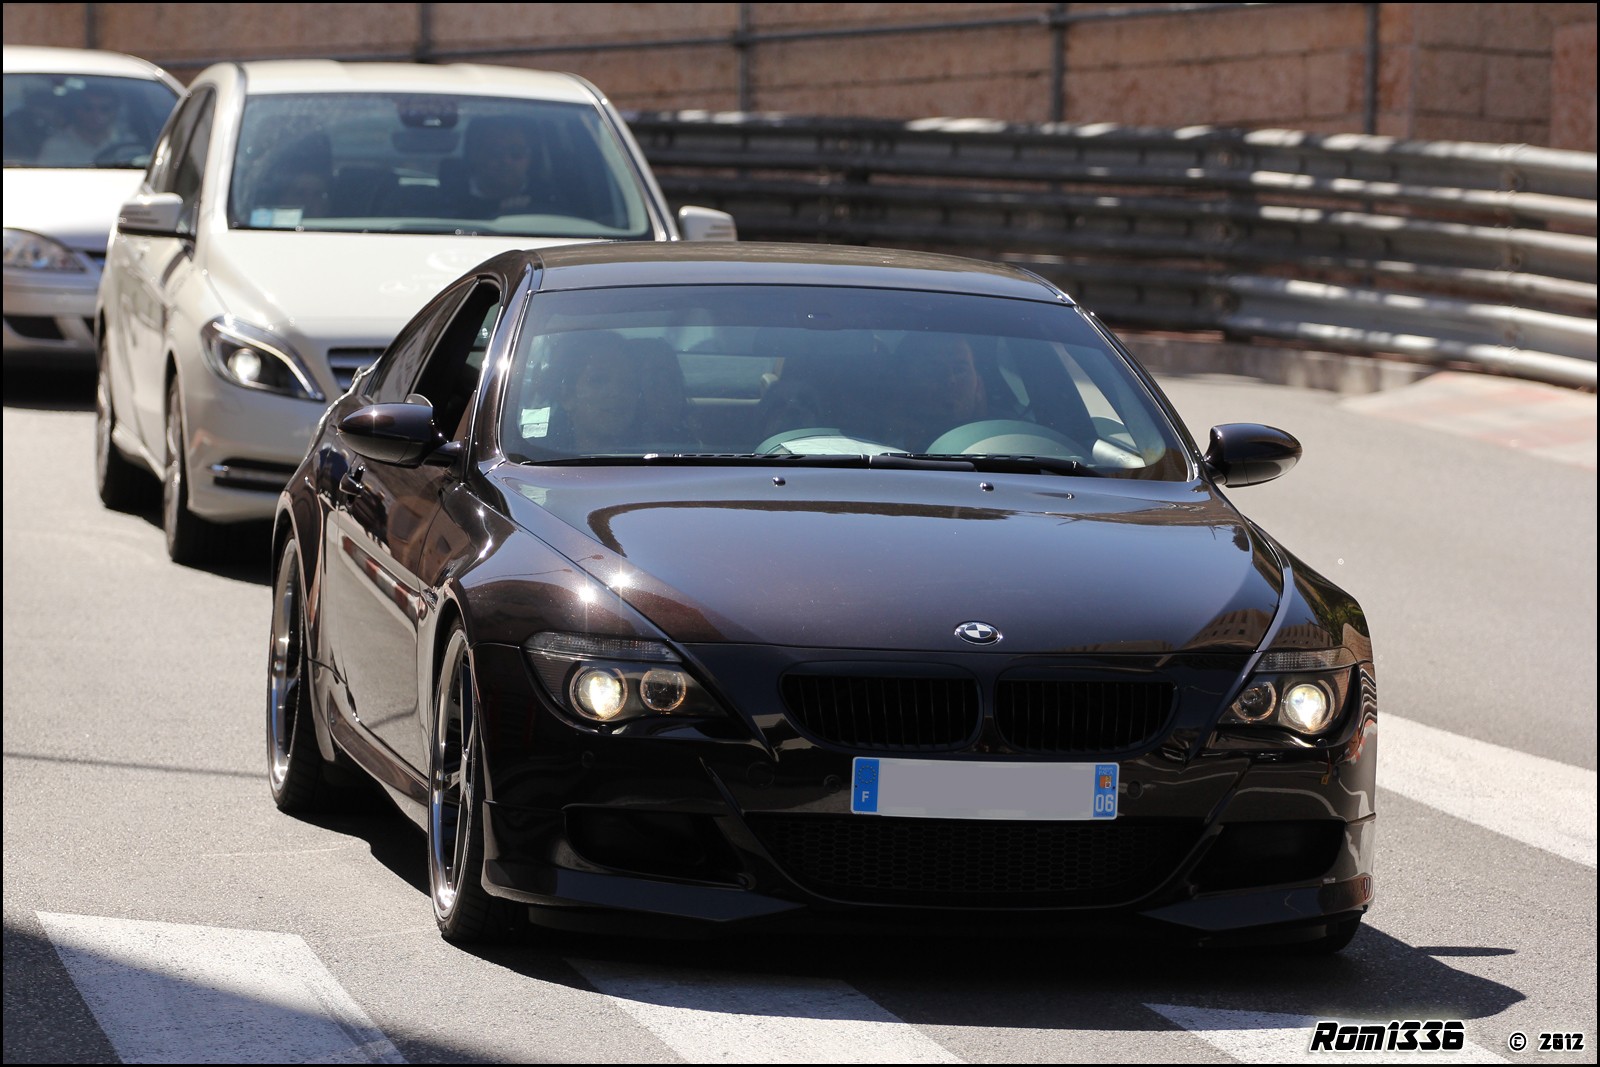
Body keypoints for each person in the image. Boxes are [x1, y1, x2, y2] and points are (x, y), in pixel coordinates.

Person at [884, 333, 990, 451]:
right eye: (935, 370)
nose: (950, 380)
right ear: (905, 381)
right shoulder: (875, 448)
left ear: (978, 384)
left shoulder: (1007, 438)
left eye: (960, 369)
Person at [451, 117, 541, 218]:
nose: (506, 160)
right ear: (474, 155)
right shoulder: (447, 203)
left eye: (516, 152)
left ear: (530, 157)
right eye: (495, 152)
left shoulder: (549, 200)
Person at [38, 86, 134, 165]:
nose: (96, 115)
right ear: (77, 110)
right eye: (88, 108)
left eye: (105, 109)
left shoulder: (129, 145)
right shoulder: (55, 146)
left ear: (115, 112)